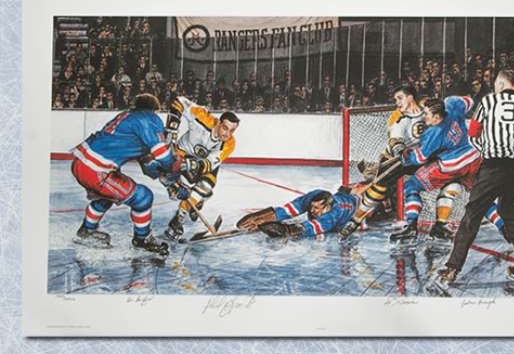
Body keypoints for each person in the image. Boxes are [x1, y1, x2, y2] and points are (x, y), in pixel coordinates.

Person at [437, 70, 514, 283]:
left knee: (473, 214)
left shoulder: (488, 102)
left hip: (493, 167)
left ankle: (452, 268)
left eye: (495, 83)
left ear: (502, 84)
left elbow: (473, 134)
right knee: (508, 211)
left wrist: (486, 150)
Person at [70, 94, 179, 256]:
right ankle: (142, 239)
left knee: (107, 196)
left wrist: (168, 180)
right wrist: (175, 176)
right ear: (155, 109)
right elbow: (163, 157)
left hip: (80, 162)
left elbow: (147, 165)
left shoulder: (126, 116)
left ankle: (87, 229)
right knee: (143, 197)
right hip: (97, 170)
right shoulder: (148, 118)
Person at [389, 96, 504, 242]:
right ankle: (504, 226)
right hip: (472, 158)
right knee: (479, 195)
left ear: (437, 117)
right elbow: (469, 101)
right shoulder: (452, 104)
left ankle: (411, 226)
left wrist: (404, 155)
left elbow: (419, 159)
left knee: (411, 185)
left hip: (451, 165)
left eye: (427, 114)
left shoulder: (433, 133)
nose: (424, 117)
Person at [339, 86, 426, 237]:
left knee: (412, 187)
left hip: (419, 157)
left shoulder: (427, 112)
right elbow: (395, 141)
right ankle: (355, 221)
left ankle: (414, 224)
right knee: (379, 188)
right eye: (395, 99)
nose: (397, 102)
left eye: (400, 98)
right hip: (397, 158)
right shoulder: (399, 119)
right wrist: (401, 151)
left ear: (411, 97)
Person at [163, 96, 240, 241]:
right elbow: (179, 101)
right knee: (177, 192)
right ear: (218, 122)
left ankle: (178, 220)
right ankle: (197, 200)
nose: (227, 134)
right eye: (225, 128)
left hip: (202, 163)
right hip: (181, 154)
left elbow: (208, 164)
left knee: (205, 186)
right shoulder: (202, 117)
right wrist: (171, 131)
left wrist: (191, 165)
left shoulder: (230, 143)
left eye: (232, 131)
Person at [236, 189, 357, 240]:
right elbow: (291, 209)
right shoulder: (316, 194)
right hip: (344, 195)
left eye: (316, 208)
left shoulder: (334, 215)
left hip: (354, 208)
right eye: (312, 206)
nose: (312, 210)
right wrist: (259, 217)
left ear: (327, 207)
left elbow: (311, 227)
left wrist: (286, 230)